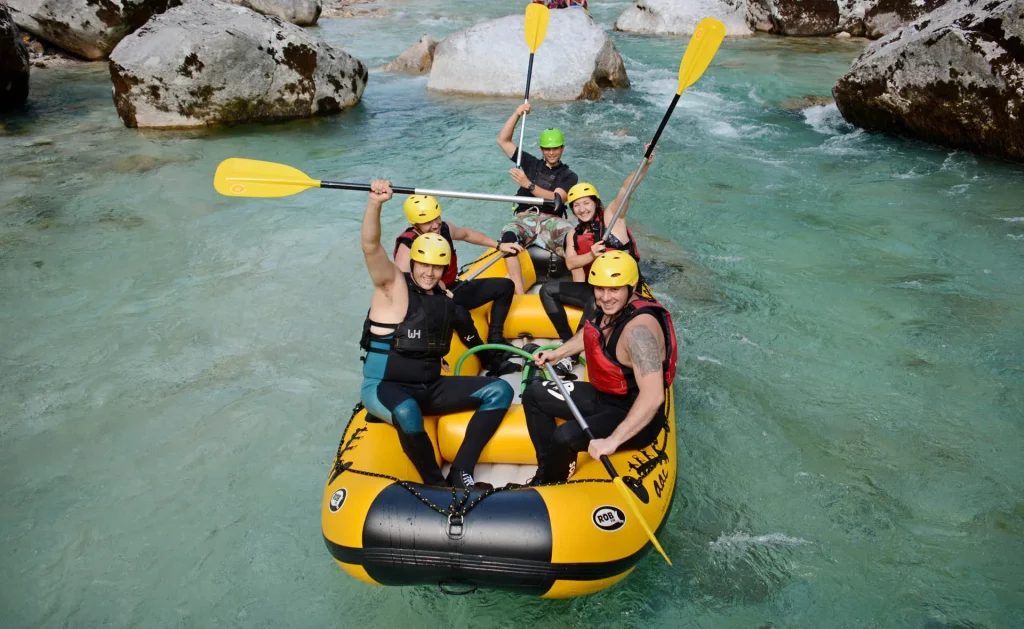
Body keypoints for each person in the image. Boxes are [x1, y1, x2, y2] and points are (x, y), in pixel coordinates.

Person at [359, 180, 514, 489]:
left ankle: (461, 470)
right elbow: (370, 247)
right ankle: (436, 484)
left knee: (500, 391)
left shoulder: (443, 301)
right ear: (412, 262)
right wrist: (375, 204)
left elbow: (429, 343)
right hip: (386, 389)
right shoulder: (392, 287)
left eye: (437, 268)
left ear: (445, 270)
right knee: (406, 410)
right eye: (423, 266)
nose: (428, 273)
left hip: (431, 387)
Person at [522, 252, 677, 484]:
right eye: (600, 289)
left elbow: (653, 396)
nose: (605, 297)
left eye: (614, 289)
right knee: (533, 393)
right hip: (604, 396)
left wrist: (612, 441)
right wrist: (558, 353)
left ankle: (551, 483)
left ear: (631, 287)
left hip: (631, 411)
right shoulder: (607, 309)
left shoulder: (639, 333)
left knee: (564, 436)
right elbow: (593, 330)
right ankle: (546, 469)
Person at [539, 147, 654, 378]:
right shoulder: (573, 234)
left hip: (621, 291)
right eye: (577, 205)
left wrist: (646, 164)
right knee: (547, 290)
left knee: (596, 300)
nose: (582, 209)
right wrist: (591, 255)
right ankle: (566, 339)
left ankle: (569, 356)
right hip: (596, 288)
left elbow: (626, 189)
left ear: (595, 203)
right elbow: (571, 264)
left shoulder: (613, 217)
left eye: (586, 203)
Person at [393, 194, 523, 375]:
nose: (435, 225)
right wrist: (436, 290)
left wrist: (499, 245)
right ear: (416, 225)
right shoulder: (408, 245)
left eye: (436, 218)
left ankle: (496, 339)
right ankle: (489, 361)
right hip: (427, 301)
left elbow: (467, 234)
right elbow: (400, 283)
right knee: (461, 315)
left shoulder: (444, 229)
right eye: (428, 222)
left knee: (505, 286)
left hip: (451, 288)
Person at [496, 103, 579, 293]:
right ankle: (518, 292)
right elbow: (503, 140)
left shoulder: (569, 176)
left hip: (551, 221)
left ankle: (579, 290)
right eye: (547, 149)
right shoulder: (531, 163)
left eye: (556, 148)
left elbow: (557, 198)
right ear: (541, 149)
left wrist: (528, 185)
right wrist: (517, 113)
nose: (551, 153)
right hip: (524, 218)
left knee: (575, 241)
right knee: (508, 237)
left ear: (562, 148)